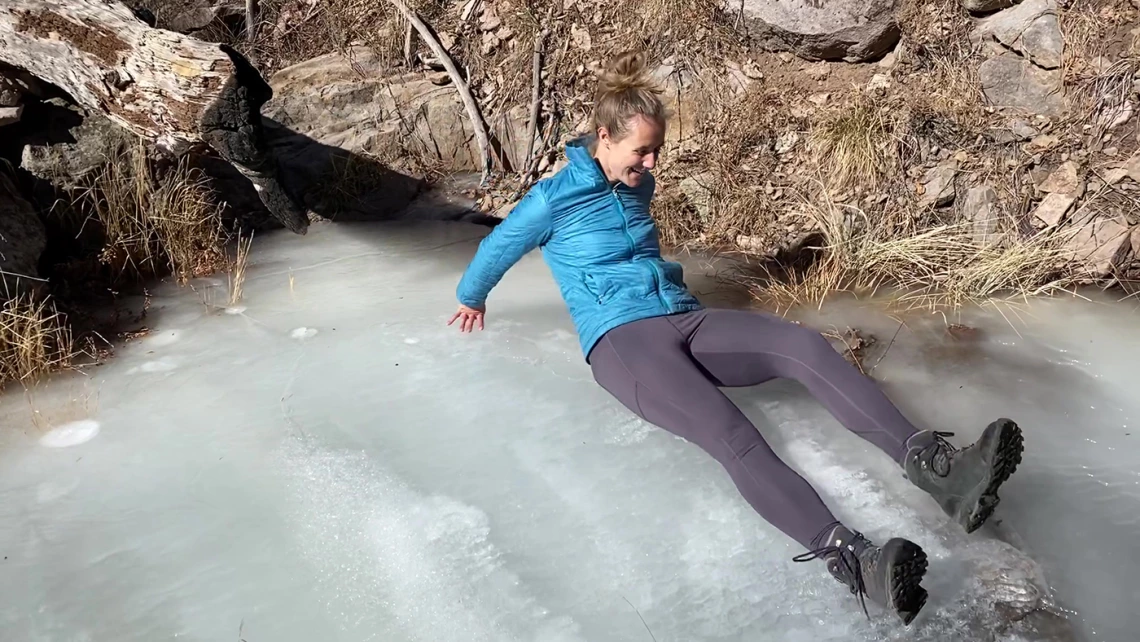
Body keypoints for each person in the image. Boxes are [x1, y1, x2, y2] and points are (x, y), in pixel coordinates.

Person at [448, 51, 1025, 626]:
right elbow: (500, 245)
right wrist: (472, 297)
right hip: (622, 343)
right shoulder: (553, 198)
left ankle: (937, 468)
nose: (650, 163)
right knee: (735, 436)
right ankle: (855, 562)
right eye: (641, 150)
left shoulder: (637, 185)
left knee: (804, 346)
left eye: (656, 150)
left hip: (682, 317)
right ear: (603, 138)